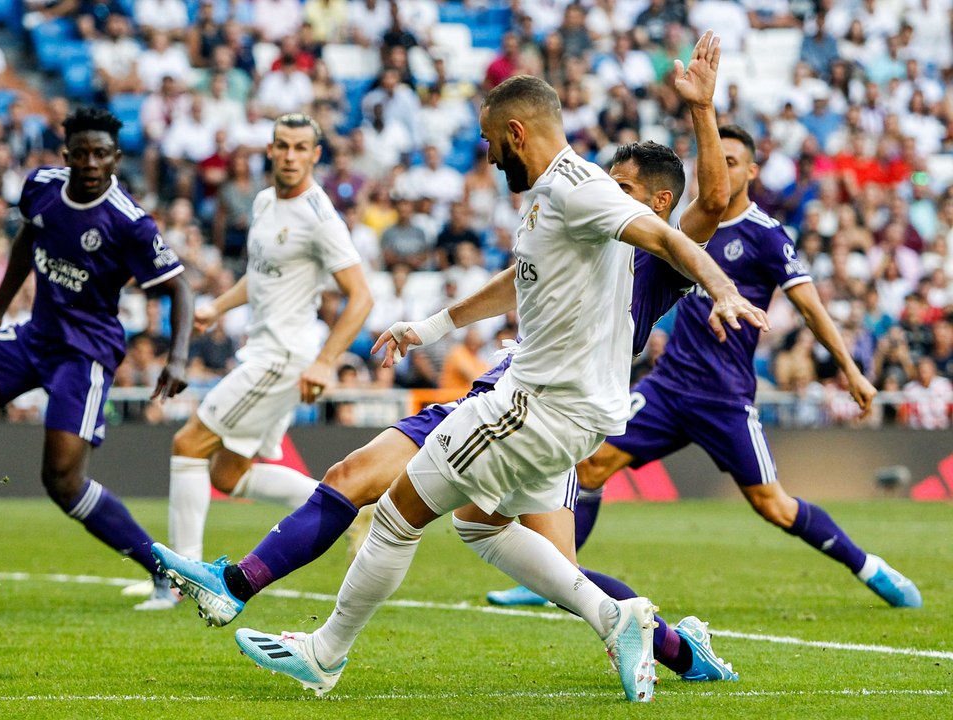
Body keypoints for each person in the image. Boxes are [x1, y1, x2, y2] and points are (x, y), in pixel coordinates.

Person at [155, 32, 744, 686]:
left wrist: (704, 130)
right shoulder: (568, 209)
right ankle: (659, 641)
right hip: (519, 398)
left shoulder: (629, 238)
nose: (488, 157)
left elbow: (704, 213)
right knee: (470, 523)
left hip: (538, 408)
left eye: (627, 185)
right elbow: (517, 278)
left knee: (399, 510)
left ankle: (308, 642)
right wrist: (431, 326)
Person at [492, 124, 921, 610]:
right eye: (716, 159)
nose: (722, 167)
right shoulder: (676, 230)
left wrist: (852, 370)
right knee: (590, 467)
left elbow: (810, 307)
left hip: (724, 397)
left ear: (751, 171)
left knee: (773, 506)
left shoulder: (765, 237)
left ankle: (868, 566)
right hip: (669, 386)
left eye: (733, 161)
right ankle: (552, 575)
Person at [0, 108, 195, 611]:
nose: (90, 163)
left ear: (116, 158)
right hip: (33, 337)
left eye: (102, 154)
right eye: (81, 153)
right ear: (65, 154)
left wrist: (177, 358)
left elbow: (179, 287)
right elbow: (30, 236)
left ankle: (166, 575)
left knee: (63, 482)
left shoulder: (130, 222)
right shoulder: (42, 187)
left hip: (85, 353)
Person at [160, 113, 373, 585]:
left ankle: (182, 577)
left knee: (188, 444)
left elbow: (361, 297)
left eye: (301, 147)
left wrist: (325, 361)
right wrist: (217, 306)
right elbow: (258, 276)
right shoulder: (262, 202)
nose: (291, 155)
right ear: (270, 151)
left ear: (316, 155)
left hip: (284, 356)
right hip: (266, 351)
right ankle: (349, 507)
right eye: (283, 146)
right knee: (227, 473)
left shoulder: (320, 218)